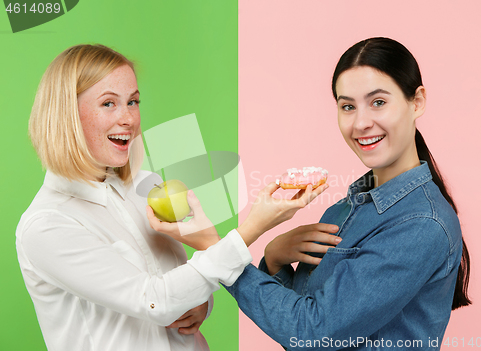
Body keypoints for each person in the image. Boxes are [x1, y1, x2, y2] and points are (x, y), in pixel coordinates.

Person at [154, 37, 471, 350]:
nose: (361, 122)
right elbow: (309, 315)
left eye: (378, 102)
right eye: (347, 106)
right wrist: (276, 260)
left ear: (417, 102)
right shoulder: (345, 208)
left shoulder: (421, 223)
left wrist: (216, 248)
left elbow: (312, 333)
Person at [16, 44, 328, 351]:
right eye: (109, 103)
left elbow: (184, 284)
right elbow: (157, 300)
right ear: (67, 114)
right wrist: (252, 228)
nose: (129, 119)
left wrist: (201, 305)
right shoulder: (48, 225)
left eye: (133, 102)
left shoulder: (145, 187)